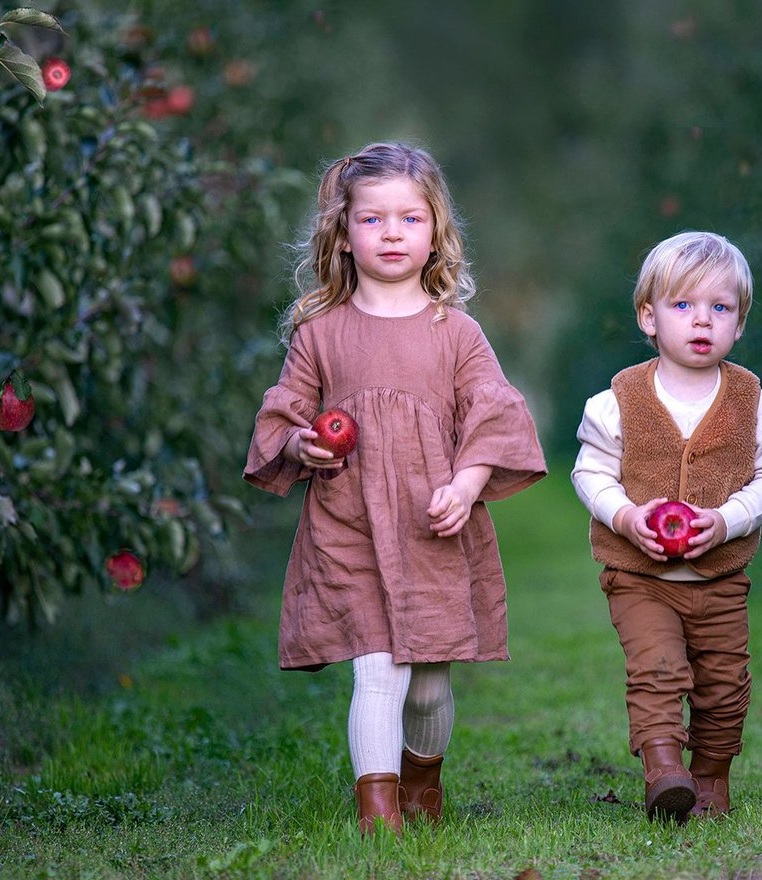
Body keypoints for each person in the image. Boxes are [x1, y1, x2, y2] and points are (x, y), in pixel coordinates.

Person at [244, 142, 546, 835]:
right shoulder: (319, 332)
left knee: (430, 683)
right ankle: (378, 817)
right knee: (376, 669)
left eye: (409, 219)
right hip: (347, 522)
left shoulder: (456, 333)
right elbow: (286, 412)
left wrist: (467, 484)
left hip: (432, 525)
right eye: (372, 219)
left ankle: (421, 782)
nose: (391, 233)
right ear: (342, 234)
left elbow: (494, 412)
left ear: (436, 232)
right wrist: (301, 441)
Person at [571, 231, 762, 822]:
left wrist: (726, 521)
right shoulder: (615, 402)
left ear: (739, 323)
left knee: (723, 684)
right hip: (639, 573)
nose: (703, 321)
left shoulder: (760, 405)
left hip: (720, 578)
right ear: (649, 316)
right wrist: (625, 515)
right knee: (657, 669)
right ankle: (664, 769)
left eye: (720, 308)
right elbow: (590, 474)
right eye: (683, 305)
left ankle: (711, 777)